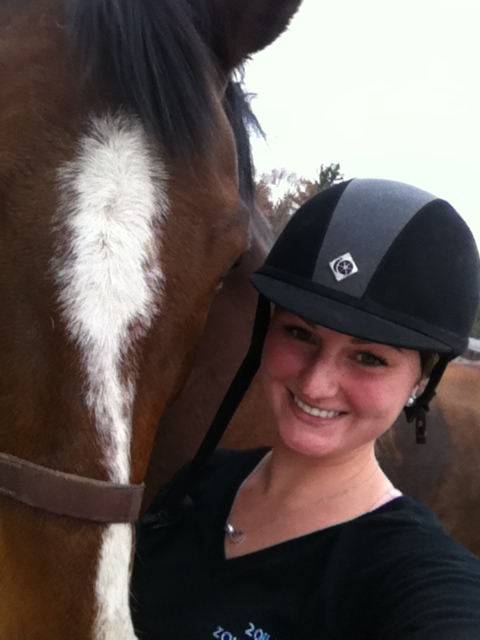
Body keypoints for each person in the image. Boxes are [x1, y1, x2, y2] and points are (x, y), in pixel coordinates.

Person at [131, 178, 480, 639]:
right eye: (299, 333)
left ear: (420, 380)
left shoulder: (416, 580)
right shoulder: (199, 483)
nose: (316, 384)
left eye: (368, 358)